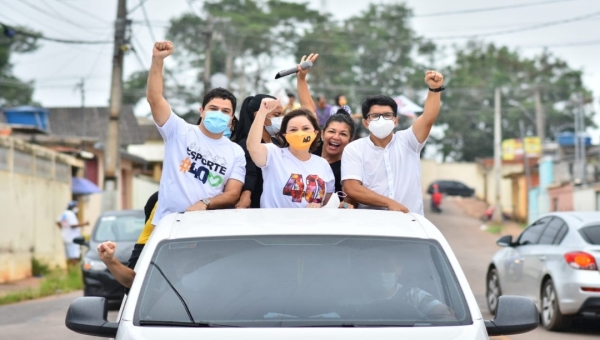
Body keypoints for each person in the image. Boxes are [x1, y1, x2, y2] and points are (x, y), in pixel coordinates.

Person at [147, 41, 246, 224]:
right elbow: (154, 99)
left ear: (232, 118)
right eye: (213, 108)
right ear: (202, 111)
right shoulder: (178, 131)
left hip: (207, 227)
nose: (219, 114)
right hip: (169, 224)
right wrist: (157, 60)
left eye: (225, 111)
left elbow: (233, 193)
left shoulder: (236, 152)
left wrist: (205, 203)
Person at [341, 71, 444, 215]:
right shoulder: (354, 149)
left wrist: (434, 89)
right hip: (370, 225)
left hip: (410, 222)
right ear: (365, 123)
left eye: (387, 115)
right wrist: (389, 203)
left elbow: (428, 118)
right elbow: (352, 188)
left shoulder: (409, 141)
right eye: (375, 116)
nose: (382, 120)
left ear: (395, 121)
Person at [349, 251, 454, 318]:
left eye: (388, 268)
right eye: (375, 268)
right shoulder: (352, 297)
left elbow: (447, 314)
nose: (381, 273)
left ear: (399, 270)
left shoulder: (414, 295)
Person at [231, 94, 284, 208]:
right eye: (277, 115)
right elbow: (250, 173)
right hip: (256, 205)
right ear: (259, 115)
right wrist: (246, 194)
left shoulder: (278, 143)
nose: (281, 119)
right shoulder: (246, 145)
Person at [56, 201, 89, 266]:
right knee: (74, 255)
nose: (77, 208)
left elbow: (58, 222)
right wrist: (84, 224)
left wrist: (63, 228)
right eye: (76, 206)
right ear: (73, 207)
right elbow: (72, 225)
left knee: (69, 255)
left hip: (66, 237)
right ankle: (74, 269)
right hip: (72, 238)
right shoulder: (70, 214)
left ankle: (70, 270)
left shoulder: (64, 213)